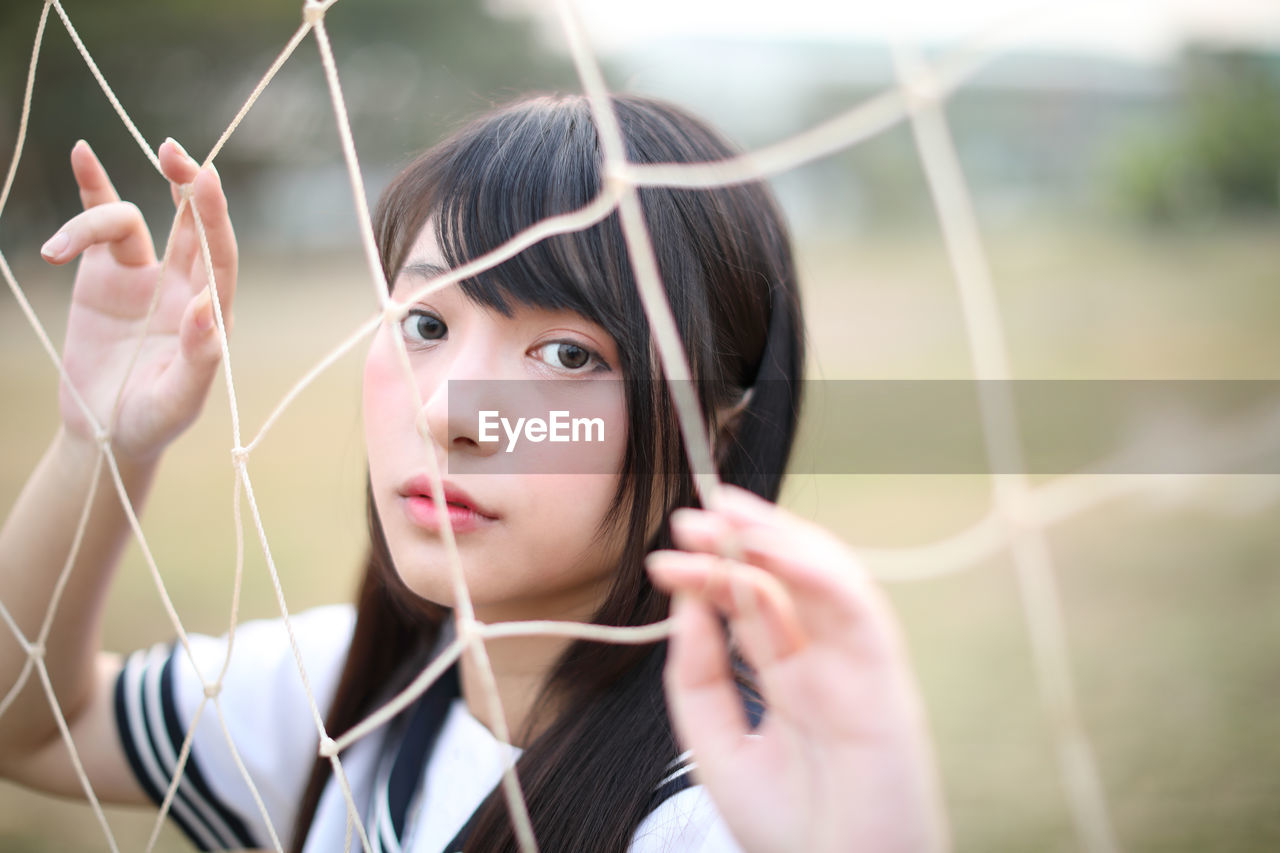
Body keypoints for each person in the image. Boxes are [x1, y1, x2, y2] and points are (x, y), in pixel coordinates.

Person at [0, 94, 947, 852]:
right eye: (426, 324)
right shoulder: (336, 695)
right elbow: (34, 724)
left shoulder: (720, 813)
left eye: (569, 355)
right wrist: (100, 444)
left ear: (719, 426)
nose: (447, 412)